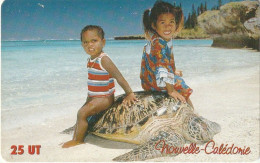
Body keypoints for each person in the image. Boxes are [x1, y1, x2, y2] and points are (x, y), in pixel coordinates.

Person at [62, 25, 137, 148]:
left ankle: (78, 140)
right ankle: (77, 134)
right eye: (85, 42)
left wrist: (129, 93)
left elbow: (119, 77)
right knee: (82, 112)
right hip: (94, 96)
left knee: (81, 113)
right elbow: (93, 82)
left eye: (94, 41)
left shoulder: (104, 59)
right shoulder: (90, 60)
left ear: (103, 42)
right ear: (82, 45)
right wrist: (88, 98)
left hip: (104, 98)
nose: (89, 45)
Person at [140, 0, 194, 108]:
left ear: (176, 24)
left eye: (171, 22)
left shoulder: (161, 38)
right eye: (163, 22)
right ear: (154, 25)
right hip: (154, 81)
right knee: (181, 85)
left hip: (149, 79)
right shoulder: (159, 45)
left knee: (175, 77)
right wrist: (171, 90)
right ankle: (193, 112)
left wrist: (173, 70)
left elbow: (162, 62)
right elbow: (161, 67)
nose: (167, 27)